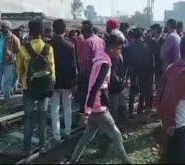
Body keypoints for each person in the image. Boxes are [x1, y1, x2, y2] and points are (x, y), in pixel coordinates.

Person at [70, 34, 131, 164]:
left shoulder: (101, 60)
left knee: (87, 136)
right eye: (118, 48)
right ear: (111, 48)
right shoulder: (104, 64)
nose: (119, 51)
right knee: (116, 134)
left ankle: (73, 160)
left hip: (94, 107)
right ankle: (126, 161)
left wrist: (88, 110)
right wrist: (87, 111)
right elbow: (94, 87)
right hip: (98, 107)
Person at [153, 33, 185, 164]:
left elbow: (161, 96)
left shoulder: (172, 67)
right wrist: (171, 124)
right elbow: (170, 100)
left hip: (172, 128)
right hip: (181, 129)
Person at [16, 18, 55, 155]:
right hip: (45, 86)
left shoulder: (22, 50)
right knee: (42, 115)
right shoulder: (48, 48)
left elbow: (19, 70)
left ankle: (27, 148)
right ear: (41, 32)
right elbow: (52, 69)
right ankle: (43, 146)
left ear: (30, 32)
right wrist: (51, 83)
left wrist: (25, 80)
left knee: (28, 117)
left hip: (29, 87)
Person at [49, 19, 77, 143]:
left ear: (53, 29)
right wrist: (74, 82)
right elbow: (73, 66)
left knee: (54, 108)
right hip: (67, 81)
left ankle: (56, 135)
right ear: (65, 29)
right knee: (67, 106)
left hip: (53, 80)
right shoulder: (70, 45)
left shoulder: (49, 45)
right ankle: (67, 132)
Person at [78, 21, 105, 113]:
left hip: (89, 71)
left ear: (85, 33)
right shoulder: (101, 40)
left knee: (85, 93)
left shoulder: (88, 41)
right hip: (100, 69)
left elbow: (84, 59)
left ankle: (85, 112)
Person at [127, 28, 154, 120]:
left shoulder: (130, 46)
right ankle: (140, 109)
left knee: (132, 91)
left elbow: (127, 61)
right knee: (142, 91)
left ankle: (130, 110)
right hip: (143, 71)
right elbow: (148, 61)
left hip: (133, 71)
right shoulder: (145, 47)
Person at [0, 21, 21, 102]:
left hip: (9, 63)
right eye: (1, 27)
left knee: (7, 81)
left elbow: (18, 51)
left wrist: (13, 58)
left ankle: (7, 96)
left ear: (8, 28)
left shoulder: (14, 38)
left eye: (3, 27)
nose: (1, 29)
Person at [150, 24, 165, 88]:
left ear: (156, 31)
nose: (151, 32)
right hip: (151, 66)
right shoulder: (151, 41)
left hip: (159, 66)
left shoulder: (163, 41)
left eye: (152, 30)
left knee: (159, 84)